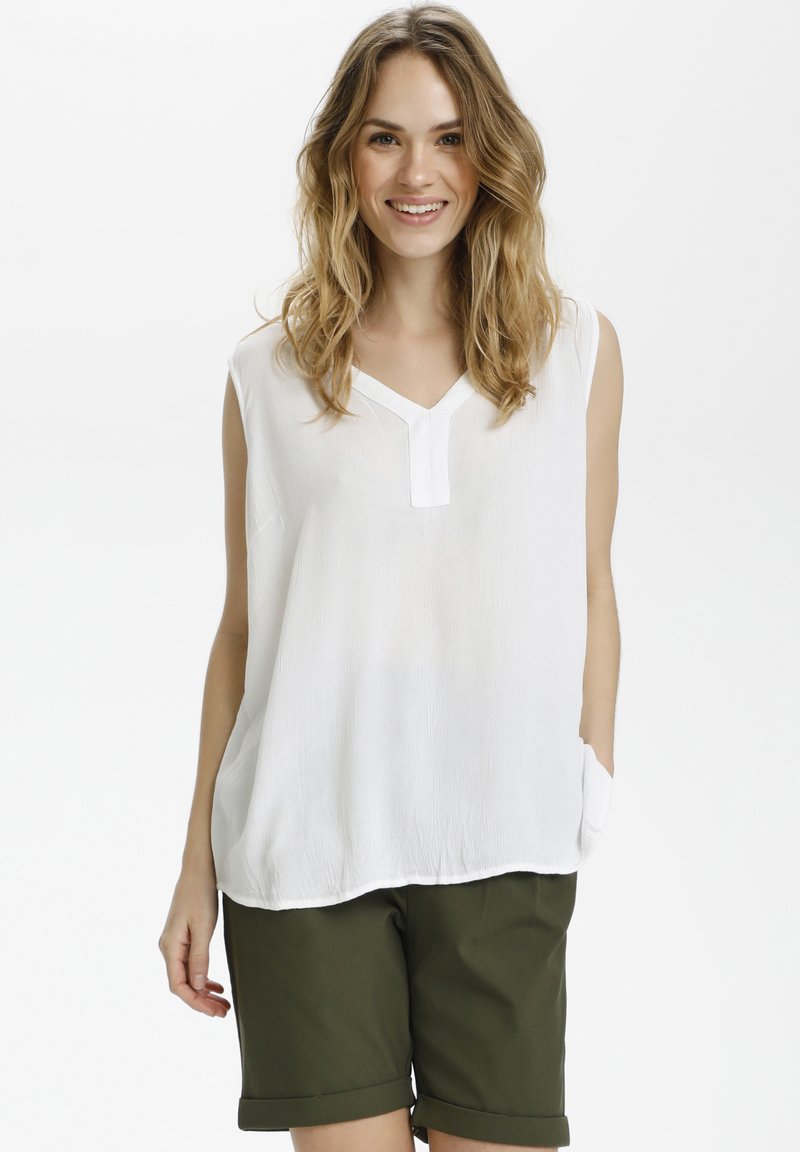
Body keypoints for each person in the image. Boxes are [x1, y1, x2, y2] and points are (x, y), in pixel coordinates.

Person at [158, 4, 623, 1150]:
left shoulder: (572, 352)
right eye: (384, 138)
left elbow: (591, 588)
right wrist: (194, 866)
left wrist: (587, 778)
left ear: (489, 155)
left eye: (449, 137)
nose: (417, 172)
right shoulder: (268, 375)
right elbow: (241, 630)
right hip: (304, 851)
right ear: (342, 159)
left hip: (501, 841)